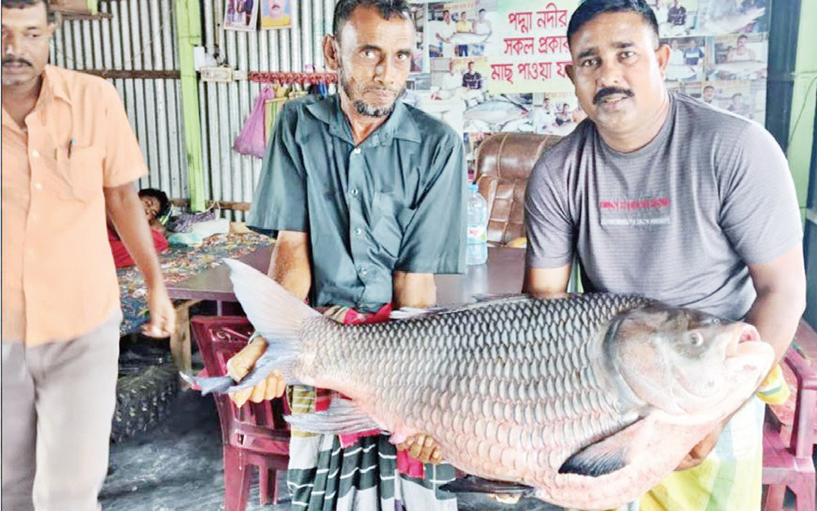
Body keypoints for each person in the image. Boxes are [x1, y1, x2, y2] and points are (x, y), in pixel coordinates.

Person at [524, 2, 804, 511]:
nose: (608, 74)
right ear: (571, 74)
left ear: (662, 59)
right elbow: (542, 306)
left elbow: (783, 290)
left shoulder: (736, 148)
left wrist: (713, 415)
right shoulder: (558, 171)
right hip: (602, 392)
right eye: (589, 61)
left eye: (625, 54)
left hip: (712, 383)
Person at [227, 1, 466, 510]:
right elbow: (292, 249)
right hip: (319, 341)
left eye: (402, 56)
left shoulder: (436, 145)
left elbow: (414, 283)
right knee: (321, 496)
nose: (387, 74)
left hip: (402, 344)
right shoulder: (296, 125)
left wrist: (422, 396)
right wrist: (269, 341)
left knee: (408, 485)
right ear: (333, 51)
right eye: (371, 53)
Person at [1, 1, 177, 510]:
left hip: (82, 327)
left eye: (30, 33)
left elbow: (122, 198)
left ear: (50, 34)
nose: (15, 49)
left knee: (67, 494)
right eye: (3, 34)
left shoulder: (93, 99)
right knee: (9, 487)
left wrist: (155, 285)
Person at [108, 188, 171, 269]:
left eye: (152, 213)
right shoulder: (111, 207)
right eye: (147, 203)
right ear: (134, 197)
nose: (148, 211)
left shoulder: (154, 238)